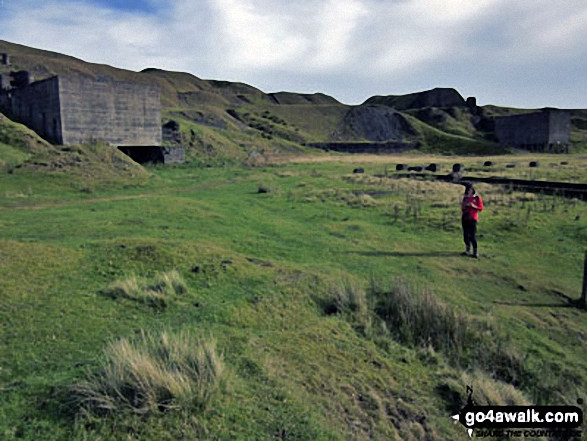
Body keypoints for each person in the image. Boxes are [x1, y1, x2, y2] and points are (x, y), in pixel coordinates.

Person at [461, 184, 483, 258]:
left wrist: (473, 206)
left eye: (470, 190)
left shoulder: (477, 198)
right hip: (465, 217)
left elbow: (480, 208)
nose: (469, 191)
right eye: (468, 190)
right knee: (465, 235)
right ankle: (467, 249)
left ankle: (475, 251)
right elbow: (462, 209)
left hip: (473, 218)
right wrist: (464, 205)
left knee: (472, 235)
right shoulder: (465, 198)